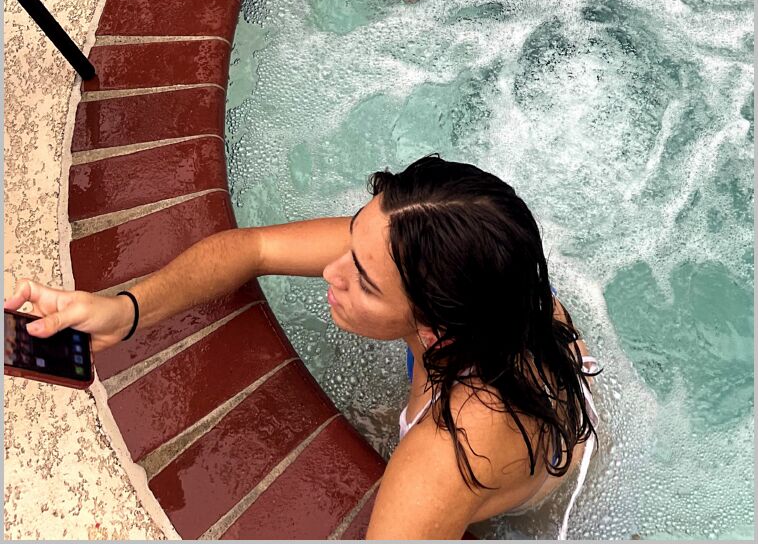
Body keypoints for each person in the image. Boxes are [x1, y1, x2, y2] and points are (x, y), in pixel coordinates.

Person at [5, 155, 600, 540]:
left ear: (437, 330)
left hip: (548, 497)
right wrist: (121, 311)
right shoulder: (480, 279)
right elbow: (253, 249)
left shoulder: (444, 457)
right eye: (354, 239)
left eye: (362, 280)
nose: (331, 271)